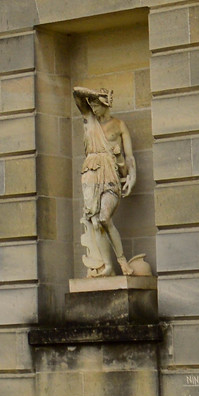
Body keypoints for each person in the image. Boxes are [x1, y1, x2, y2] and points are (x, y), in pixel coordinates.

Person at [73, 86, 151, 278]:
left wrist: (132, 176)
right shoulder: (90, 120)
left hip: (110, 174)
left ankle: (122, 261)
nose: (93, 108)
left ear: (105, 105)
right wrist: (92, 96)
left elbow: (129, 156)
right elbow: (77, 95)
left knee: (104, 217)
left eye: (96, 105)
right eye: (91, 104)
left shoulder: (119, 124)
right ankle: (108, 266)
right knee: (95, 221)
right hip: (91, 172)